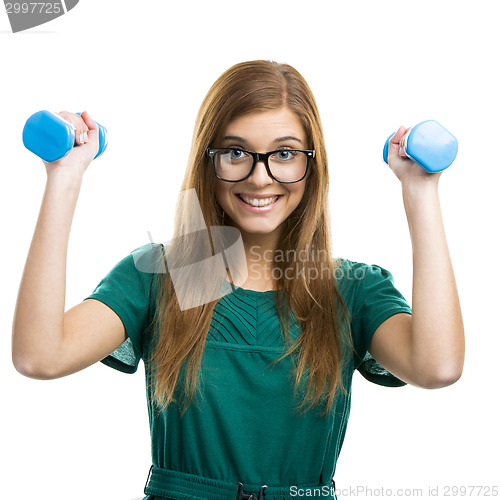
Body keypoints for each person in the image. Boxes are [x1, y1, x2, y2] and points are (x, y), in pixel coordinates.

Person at [12, 60, 465, 500]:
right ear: (208, 160)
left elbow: (437, 367)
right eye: (235, 153)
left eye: (284, 154)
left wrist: (420, 191)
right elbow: (40, 356)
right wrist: (64, 178)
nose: (259, 176)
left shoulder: (349, 289)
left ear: (313, 163)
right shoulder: (164, 277)